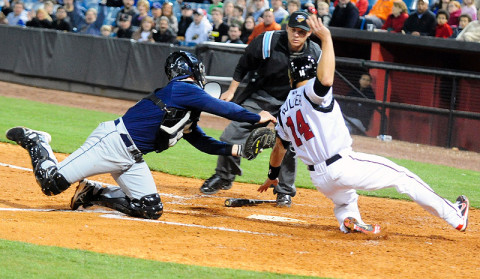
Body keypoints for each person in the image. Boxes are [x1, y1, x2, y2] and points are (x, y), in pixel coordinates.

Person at [258, 15, 470, 235]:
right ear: (312, 73)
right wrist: (327, 38)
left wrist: (273, 175)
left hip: (319, 179)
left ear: (291, 77)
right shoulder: (312, 92)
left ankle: (350, 220)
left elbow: (279, 149)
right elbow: (326, 80)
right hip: (341, 165)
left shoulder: (283, 111)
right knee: (403, 177)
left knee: (344, 201)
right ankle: (455, 216)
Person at [5, 51, 276, 220]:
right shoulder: (182, 88)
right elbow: (222, 108)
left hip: (132, 159)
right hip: (111, 144)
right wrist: (257, 117)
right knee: (50, 184)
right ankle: (36, 140)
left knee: (149, 208)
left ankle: (93, 193)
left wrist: (237, 151)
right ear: (194, 72)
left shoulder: (185, 107)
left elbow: (202, 142)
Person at [200, 11, 322, 207]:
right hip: (260, 97)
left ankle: (284, 191)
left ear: (309, 34)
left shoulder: (315, 53)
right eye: (293, 30)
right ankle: (224, 176)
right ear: (286, 28)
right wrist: (231, 91)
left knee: (288, 146)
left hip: (292, 103)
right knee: (230, 136)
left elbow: (319, 85)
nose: (297, 34)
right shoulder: (267, 41)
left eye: (302, 31)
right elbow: (244, 64)